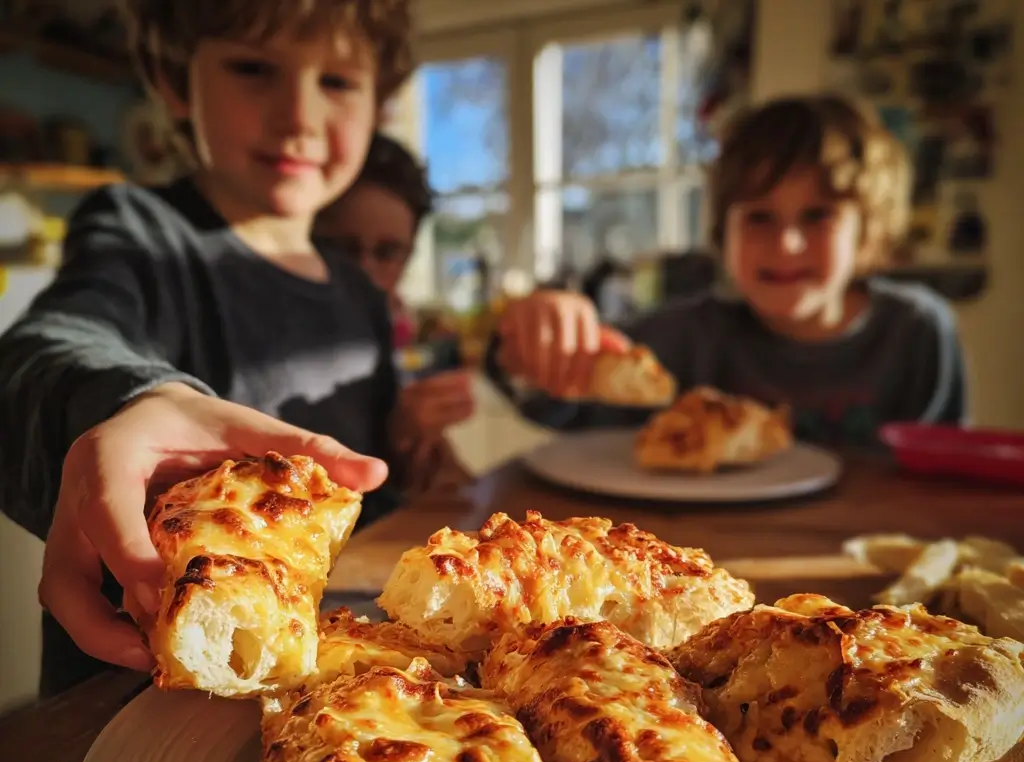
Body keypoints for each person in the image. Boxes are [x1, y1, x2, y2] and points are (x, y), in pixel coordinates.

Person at [0, 0, 425, 696]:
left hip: (325, 697)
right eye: (253, 68)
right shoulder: (138, 232)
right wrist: (136, 400)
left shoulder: (359, 293)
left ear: (378, 103)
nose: (298, 117)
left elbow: (359, 490)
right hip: (132, 709)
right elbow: (49, 345)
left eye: (337, 81)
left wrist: (413, 450)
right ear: (175, 81)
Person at [494, 94, 966, 446]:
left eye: (818, 216)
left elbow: (939, 482)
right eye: (759, 217)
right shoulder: (684, 338)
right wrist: (539, 344)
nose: (787, 243)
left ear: (868, 232)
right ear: (725, 232)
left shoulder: (915, 333)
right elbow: (562, 402)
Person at [314, 132, 474, 475]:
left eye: (386, 252)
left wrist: (408, 440)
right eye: (343, 249)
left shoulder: (393, 326)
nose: (364, 271)